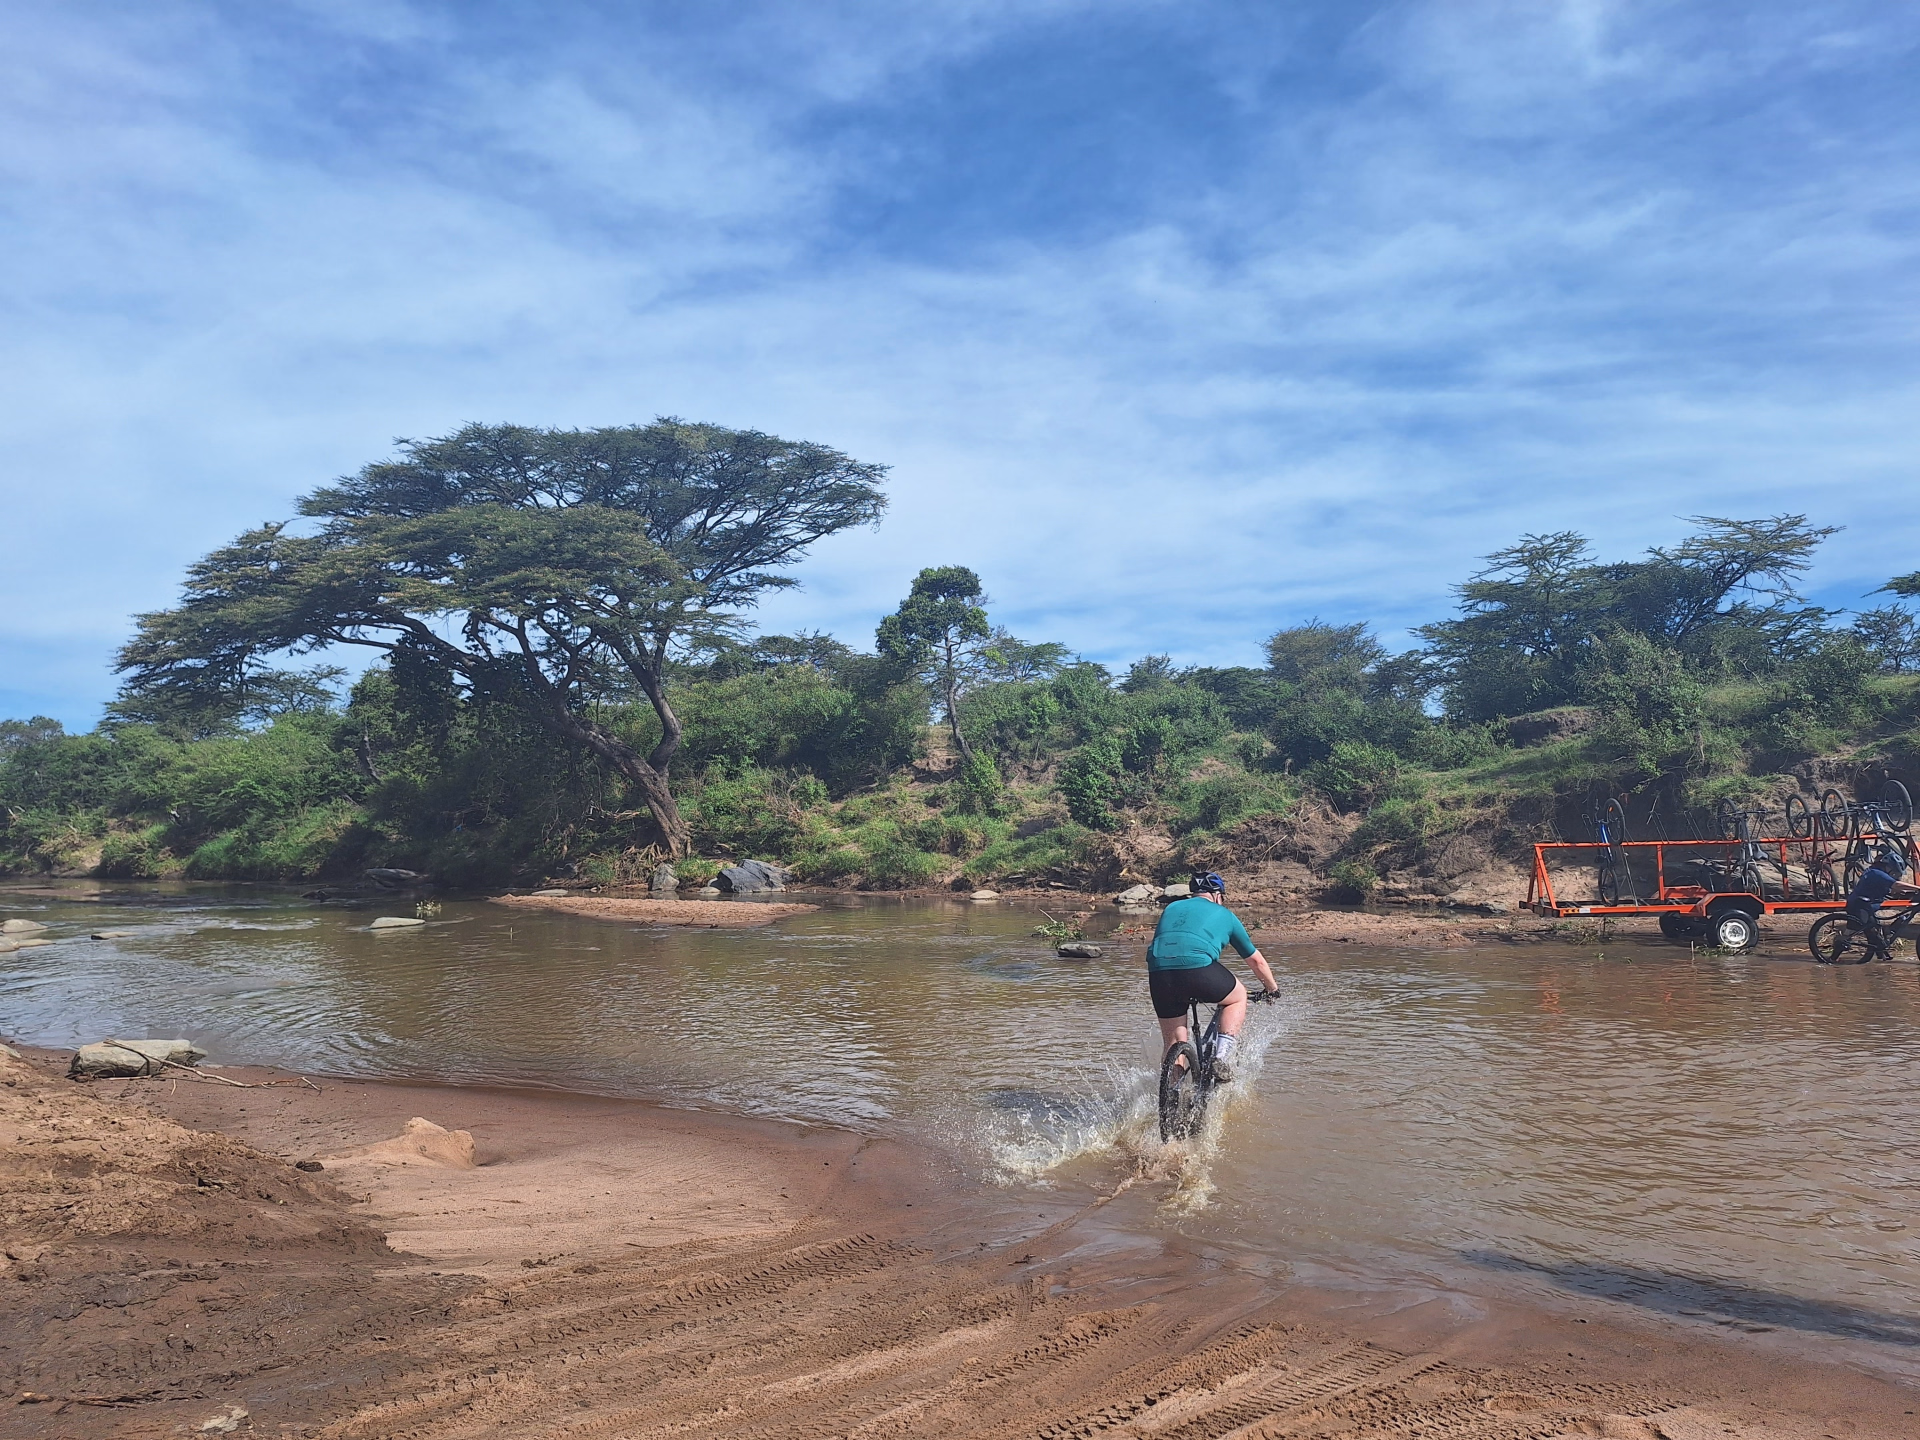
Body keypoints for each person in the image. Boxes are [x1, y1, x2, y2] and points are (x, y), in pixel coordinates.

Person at [1146, 870, 1279, 1082]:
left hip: (1159, 973)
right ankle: (1222, 1059)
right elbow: (1257, 962)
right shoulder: (1225, 914)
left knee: (1174, 1042)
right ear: (1218, 896)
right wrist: (1273, 990)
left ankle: (1172, 1097)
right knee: (1238, 996)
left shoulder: (1172, 907)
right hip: (1197, 968)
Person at [1846, 846, 1920, 960]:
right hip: (1859, 905)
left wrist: (1910, 891)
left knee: (1878, 934)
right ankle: (1839, 951)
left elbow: (1896, 889)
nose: (1895, 875)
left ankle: (1881, 953)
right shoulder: (1877, 874)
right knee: (1871, 933)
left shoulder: (1877, 872)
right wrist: (1918, 888)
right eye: (1894, 872)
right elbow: (1897, 885)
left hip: (1866, 904)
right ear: (1888, 867)